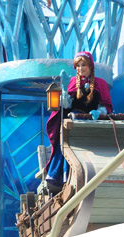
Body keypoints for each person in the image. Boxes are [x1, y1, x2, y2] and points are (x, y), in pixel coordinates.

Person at [44, 51, 113, 191]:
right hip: (73, 123)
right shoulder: (71, 82)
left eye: (84, 65)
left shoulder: (101, 83)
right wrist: (63, 93)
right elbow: (66, 106)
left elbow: (106, 105)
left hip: (93, 125)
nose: (81, 68)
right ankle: (59, 177)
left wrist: (99, 113)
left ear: (90, 66)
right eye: (78, 66)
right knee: (64, 144)